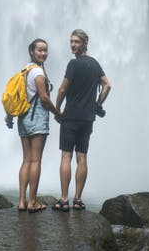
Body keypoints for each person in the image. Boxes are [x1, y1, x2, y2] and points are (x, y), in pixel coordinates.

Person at [52, 28, 111, 211]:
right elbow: (107, 85)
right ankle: (78, 199)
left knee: (66, 156)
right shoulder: (94, 64)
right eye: (71, 42)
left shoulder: (73, 64)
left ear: (85, 43)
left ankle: (64, 199)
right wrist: (97, 104)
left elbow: (62, 89)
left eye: (76, 42)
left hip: (70, 116)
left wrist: (57, 109)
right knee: (82, 157)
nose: (72, 45)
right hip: (87, 118)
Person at [14, 38, 61, 213]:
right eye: (40, 50)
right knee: (35, 160)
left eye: (45, 50)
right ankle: (32, 202)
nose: (43, 53)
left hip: (24, 118)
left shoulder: (25, 71)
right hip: (37, 119)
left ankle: (21, 201)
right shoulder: (38, 73)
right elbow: (44, 98)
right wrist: (57, 113)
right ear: (32, 52)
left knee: (26, 159)